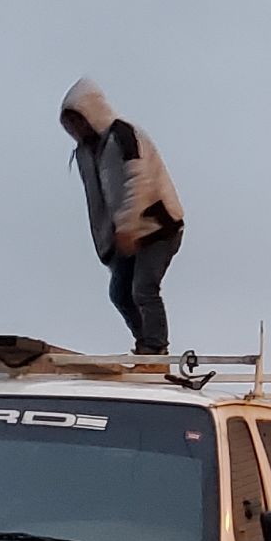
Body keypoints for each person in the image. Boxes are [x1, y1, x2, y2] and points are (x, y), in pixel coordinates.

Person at [60, 79, 185, 356]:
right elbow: (97, 202)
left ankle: (155, 348)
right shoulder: (85, 153)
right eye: (69, 126)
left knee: (143, 288)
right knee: (119, 293)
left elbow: (138, 179)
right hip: (123, 235)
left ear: (90, 113)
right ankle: (144, 343)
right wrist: (107, 244)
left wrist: (129, 224)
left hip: (157, 225)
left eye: (77, 122)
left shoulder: (123, 135)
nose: (74, 130)